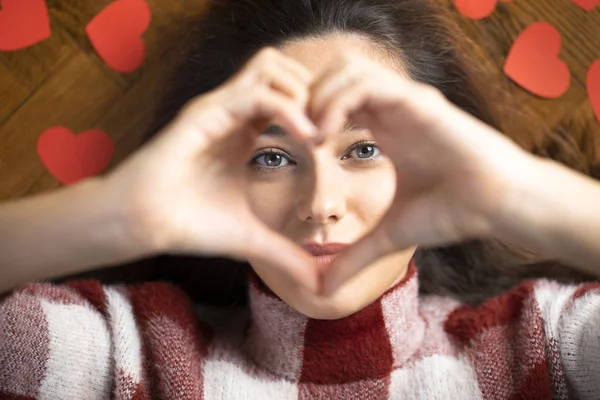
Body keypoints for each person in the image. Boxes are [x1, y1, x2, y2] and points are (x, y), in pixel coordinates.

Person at [1, 0, 600, 398]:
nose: (321, 204)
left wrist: (516, 191)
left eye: (364, 150)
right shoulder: (135, 355)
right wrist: (119, 214)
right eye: (272, 157)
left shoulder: (542, 346)